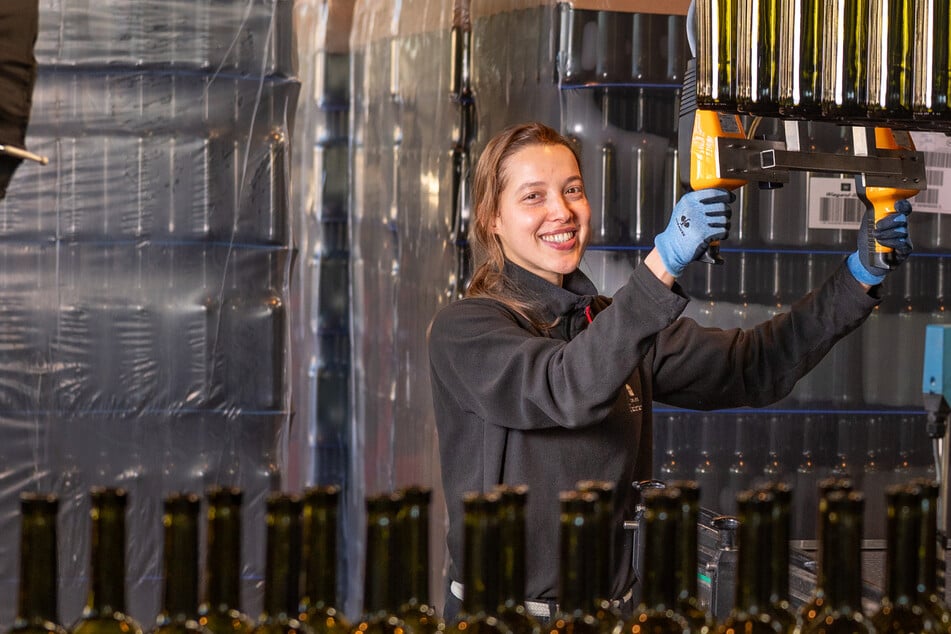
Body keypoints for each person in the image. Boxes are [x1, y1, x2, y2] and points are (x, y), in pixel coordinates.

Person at [427, 122, 913, 623]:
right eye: (534, 196)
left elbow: (753, 365)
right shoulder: (466, 330)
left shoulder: (608, 322)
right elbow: (566, 388)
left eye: (572, 190)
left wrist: (859, 277)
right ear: (492, 219)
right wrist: (664, 262)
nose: (562, 211)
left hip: (614, 617)